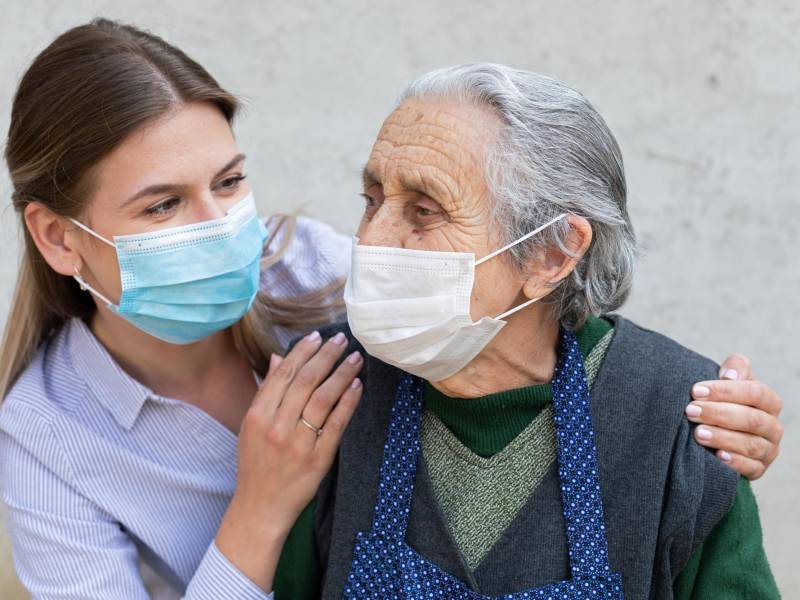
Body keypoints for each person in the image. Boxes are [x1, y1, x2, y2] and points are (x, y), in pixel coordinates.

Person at [0, 20, 783, 599]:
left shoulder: (315, 269)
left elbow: (495, 301)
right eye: (164, 204)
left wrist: (715, 419)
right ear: (59, 240)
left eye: (232, 182)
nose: (371, 247)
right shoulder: (42, 439)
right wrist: (262, 506)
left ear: (550, 253)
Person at [273, 63, 779, 598]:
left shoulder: (680, 424)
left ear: (551, 253)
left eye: (424, 211)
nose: (372, 239)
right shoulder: (327, 390)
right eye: (372, 200)